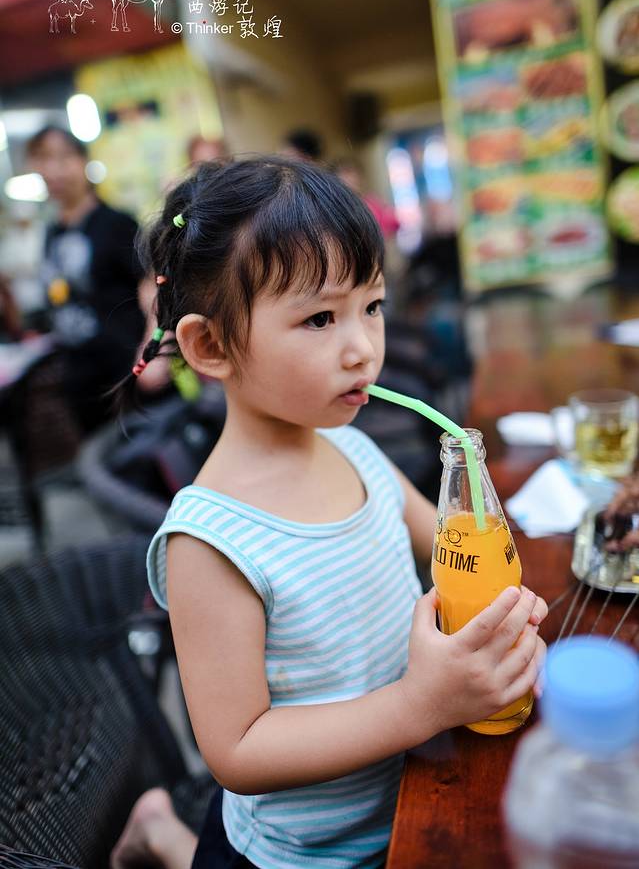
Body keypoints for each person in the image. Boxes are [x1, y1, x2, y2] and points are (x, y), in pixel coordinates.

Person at [113, 157, 547, 869]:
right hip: (300, 854)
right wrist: (420, 706)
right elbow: (237, 752)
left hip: (408, 796)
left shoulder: (353, 450)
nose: (363, 349)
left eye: (371, 306)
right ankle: (163, 834)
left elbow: (452, 548)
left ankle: (162, 830)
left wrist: (498, 612)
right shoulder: (212, 542)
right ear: (211, 346)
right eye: (320, 318)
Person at [27, 125, 146, 431]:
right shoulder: (52, 233)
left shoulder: (116, 223)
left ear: (83, 161)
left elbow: (152, 287)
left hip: (127, 375)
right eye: (42, 159)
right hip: (80, 382)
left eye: (63, 157)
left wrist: (152, 353)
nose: (53, 170)